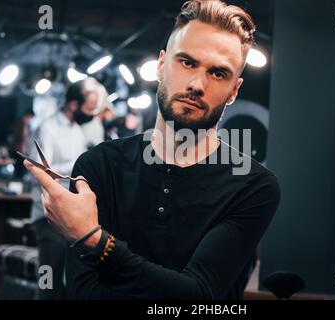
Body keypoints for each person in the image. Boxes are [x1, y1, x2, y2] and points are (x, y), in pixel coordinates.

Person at [25, 0, 280, 300]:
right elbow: (85, 296)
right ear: (161, 65)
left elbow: (197, 296)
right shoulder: (99, 166)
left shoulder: (252, 187)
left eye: (218, 73)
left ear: (234, 91)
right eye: (186, 62)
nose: (197, 84)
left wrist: (95, 240)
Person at [27, 77, 107, 299]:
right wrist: (77, 169)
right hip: (48, 215)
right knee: (48, 279)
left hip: (72, 216)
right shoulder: (48, 128)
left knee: (70, 282)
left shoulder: (77, 130)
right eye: (88, 108)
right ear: (74, 104)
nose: (90, 114)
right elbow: (40, 171)